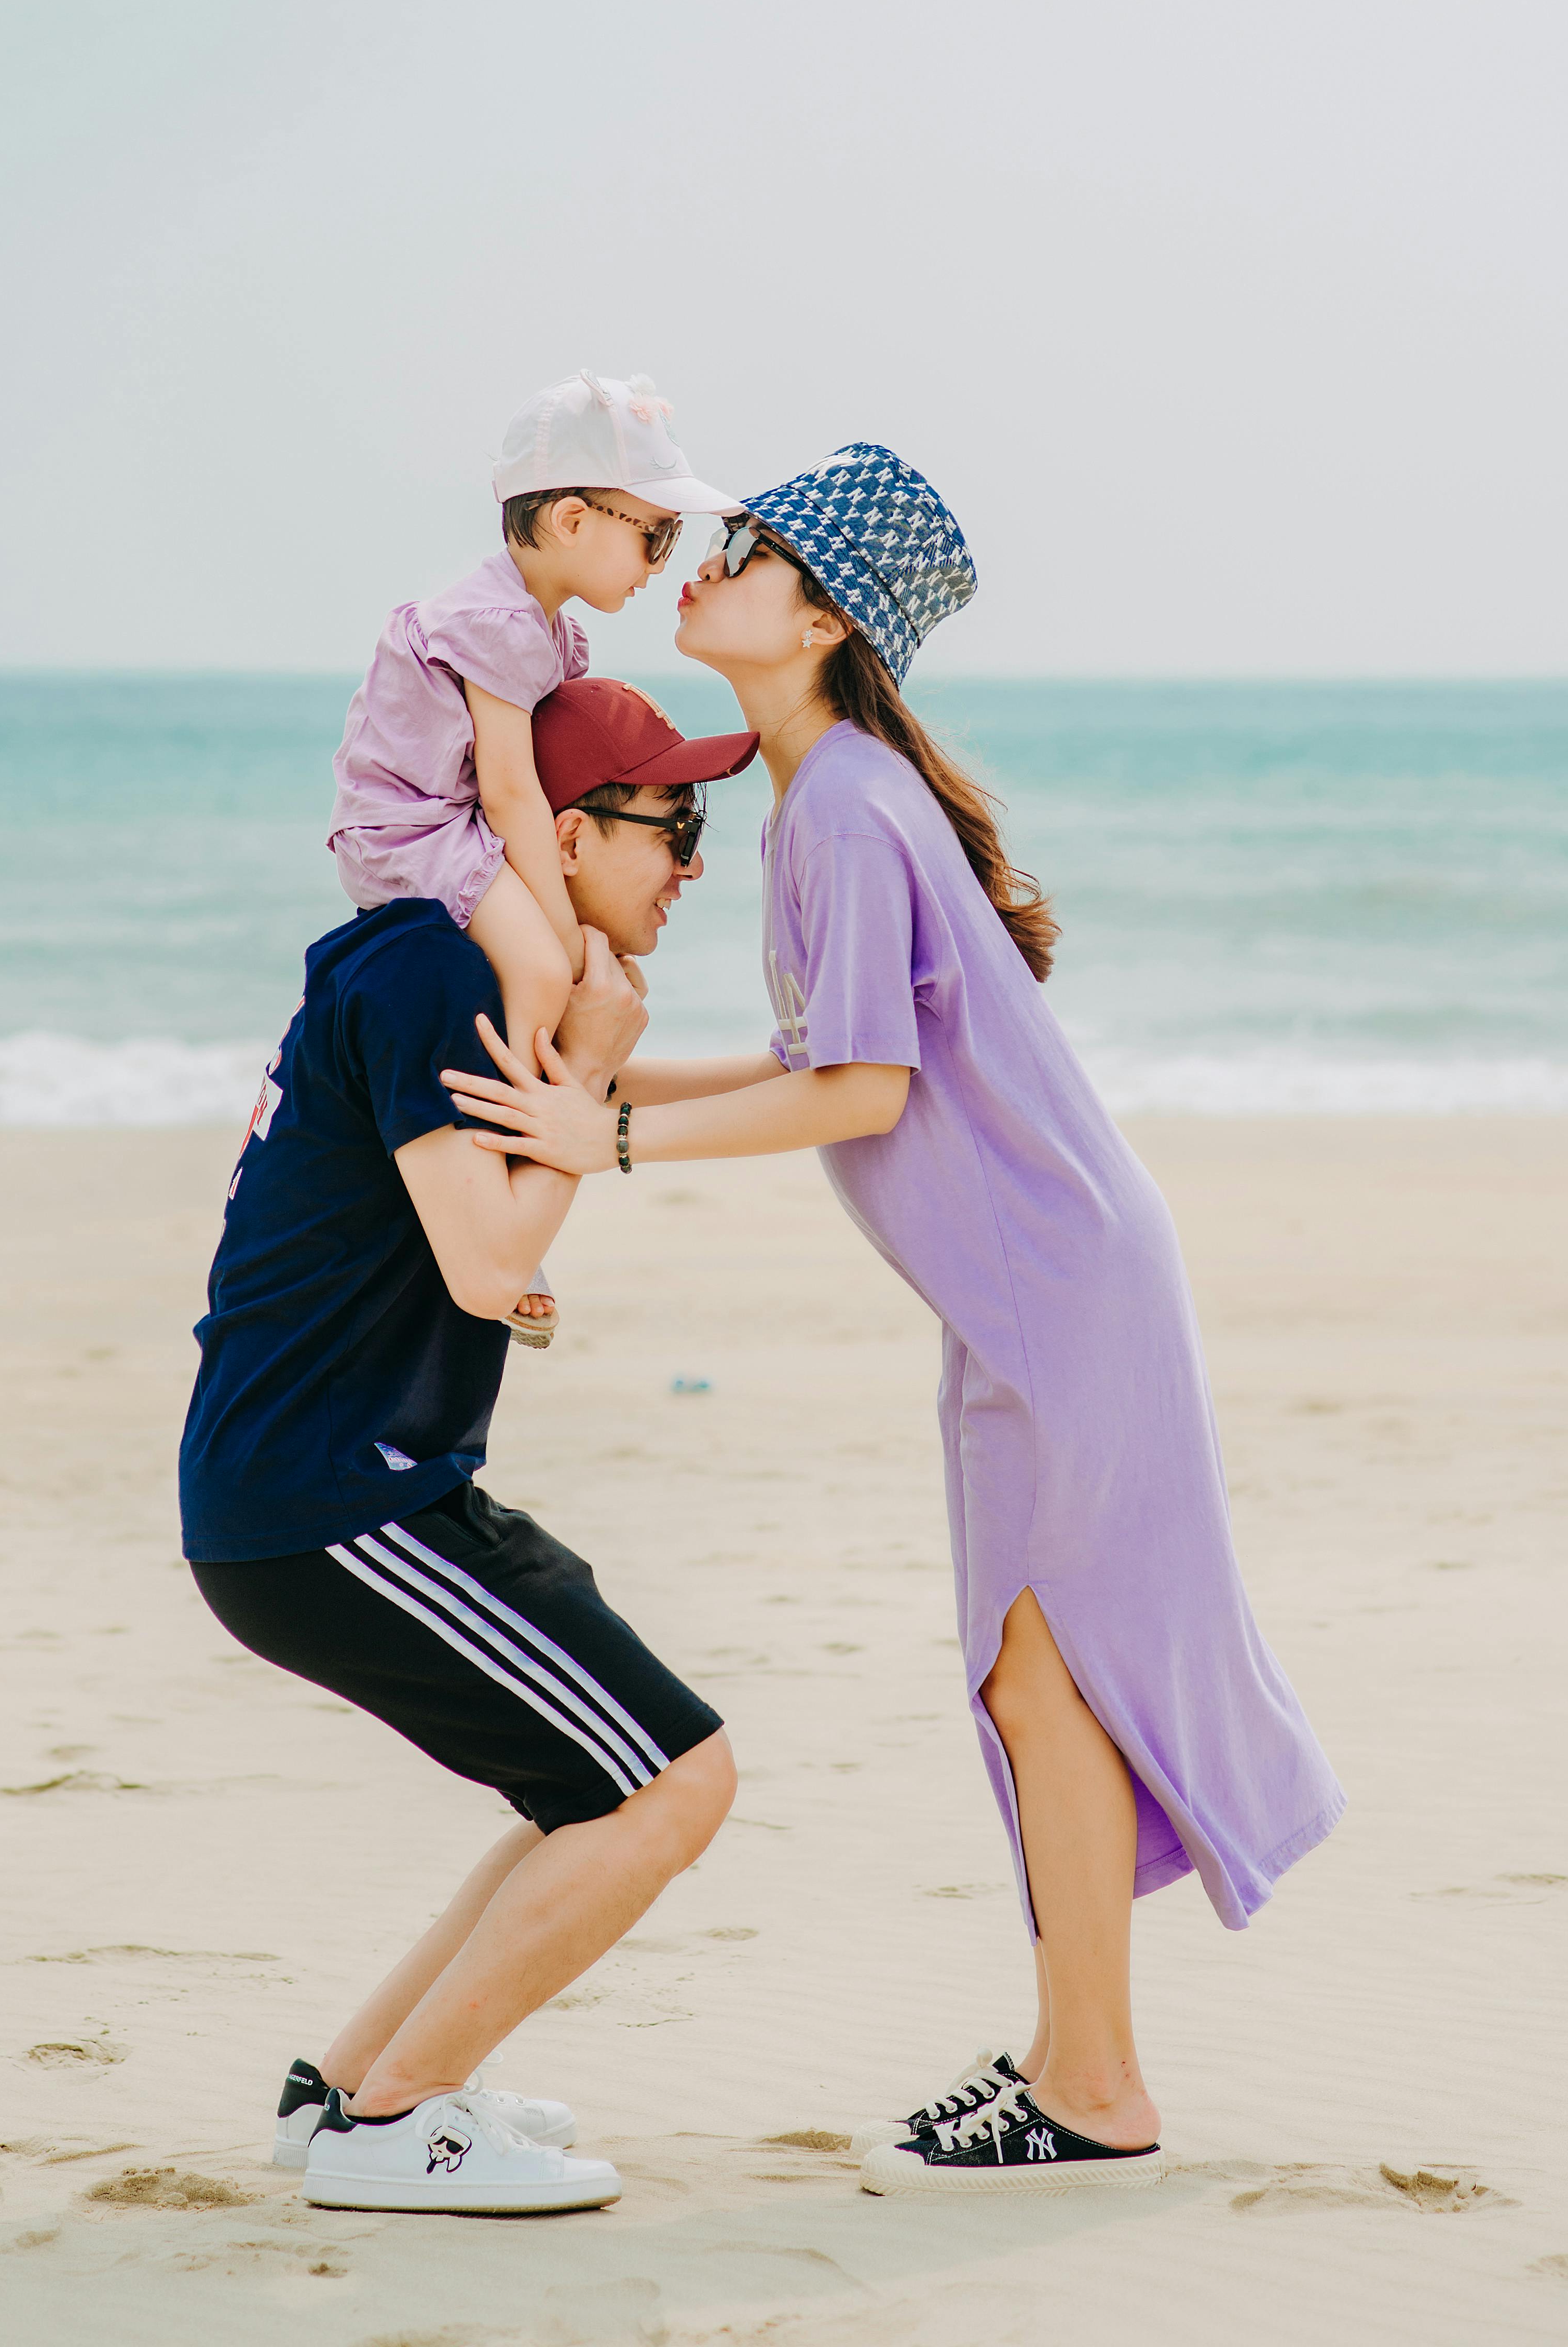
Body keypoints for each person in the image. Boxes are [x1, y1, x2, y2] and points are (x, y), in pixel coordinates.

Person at [443, 441, 1346, 2202]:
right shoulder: (826, 798)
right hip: (1033, 1296)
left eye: (752, 549)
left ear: (824, 614)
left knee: (1040, 1670)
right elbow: (814, 1066)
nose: (704, 561)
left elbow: (861, 1089)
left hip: (1061, 1294)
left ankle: (1090, 2077)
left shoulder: (848, 803)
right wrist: (606, 1080)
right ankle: (1080, 2061)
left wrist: (605, 1135)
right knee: (1034, 1677)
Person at [182, 674, 758, 2217]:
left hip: (331, 1493)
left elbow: (599, 1101)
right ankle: (400, 2122)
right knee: (671, 1786)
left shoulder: (438, 968)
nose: (695, 864)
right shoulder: (432, 974)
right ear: (567, 834)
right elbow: (495, 1268)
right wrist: (582, 1075)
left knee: (599, 1785)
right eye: (674, 826)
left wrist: (834, 1074)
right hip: (331, 1504)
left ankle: (351, 2095)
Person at [326, 368, 737, 1075]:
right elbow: (512, 792)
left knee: (542, 960)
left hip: (443, 826)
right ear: (573, 521)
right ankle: (528, 1103)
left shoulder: (536, 626)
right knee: (546, 974)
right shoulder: (502, 624)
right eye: (658, 538)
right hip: (412, 833)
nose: (661, 566)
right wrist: (573, 949)